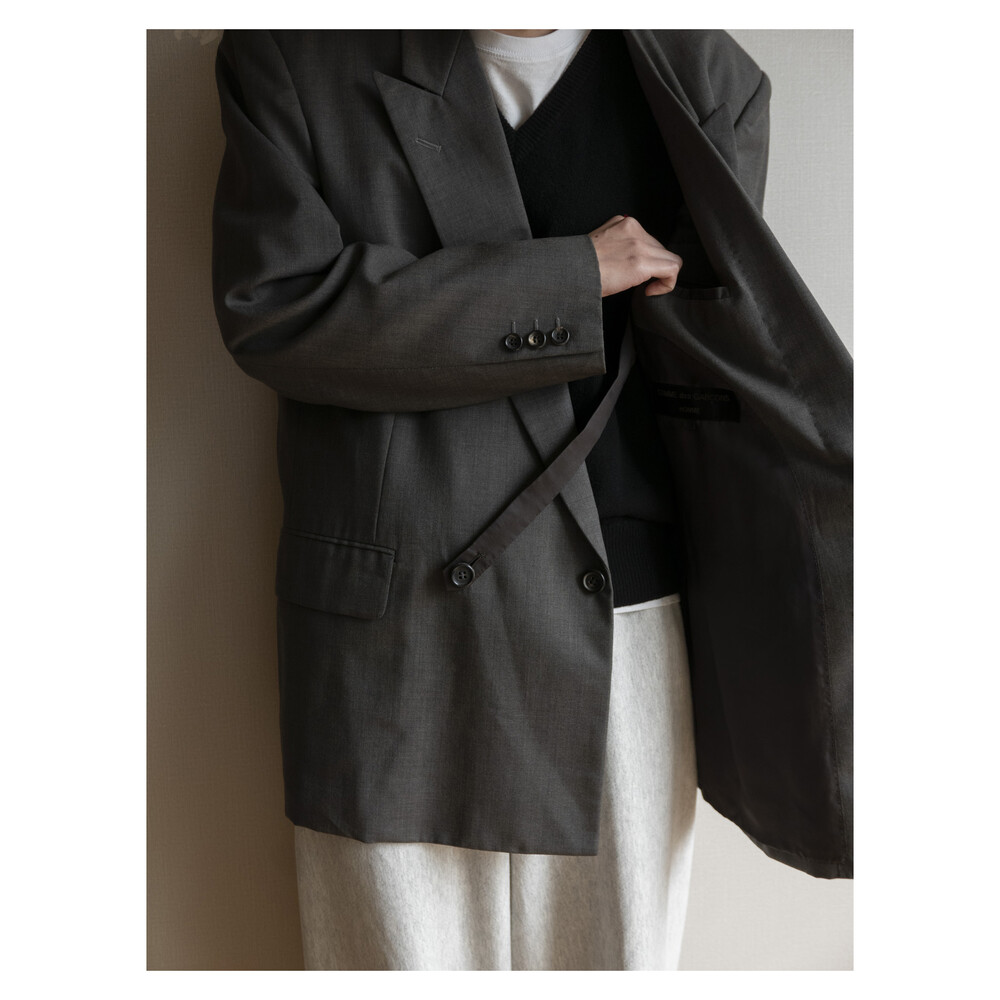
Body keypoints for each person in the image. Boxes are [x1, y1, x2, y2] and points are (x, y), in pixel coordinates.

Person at [211, 28, 853, 970]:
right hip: (395, 632)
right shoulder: (294, 55)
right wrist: (569, 279)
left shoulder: (707, 81)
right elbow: (278, 313)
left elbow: (703, 365)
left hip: (625, 618)